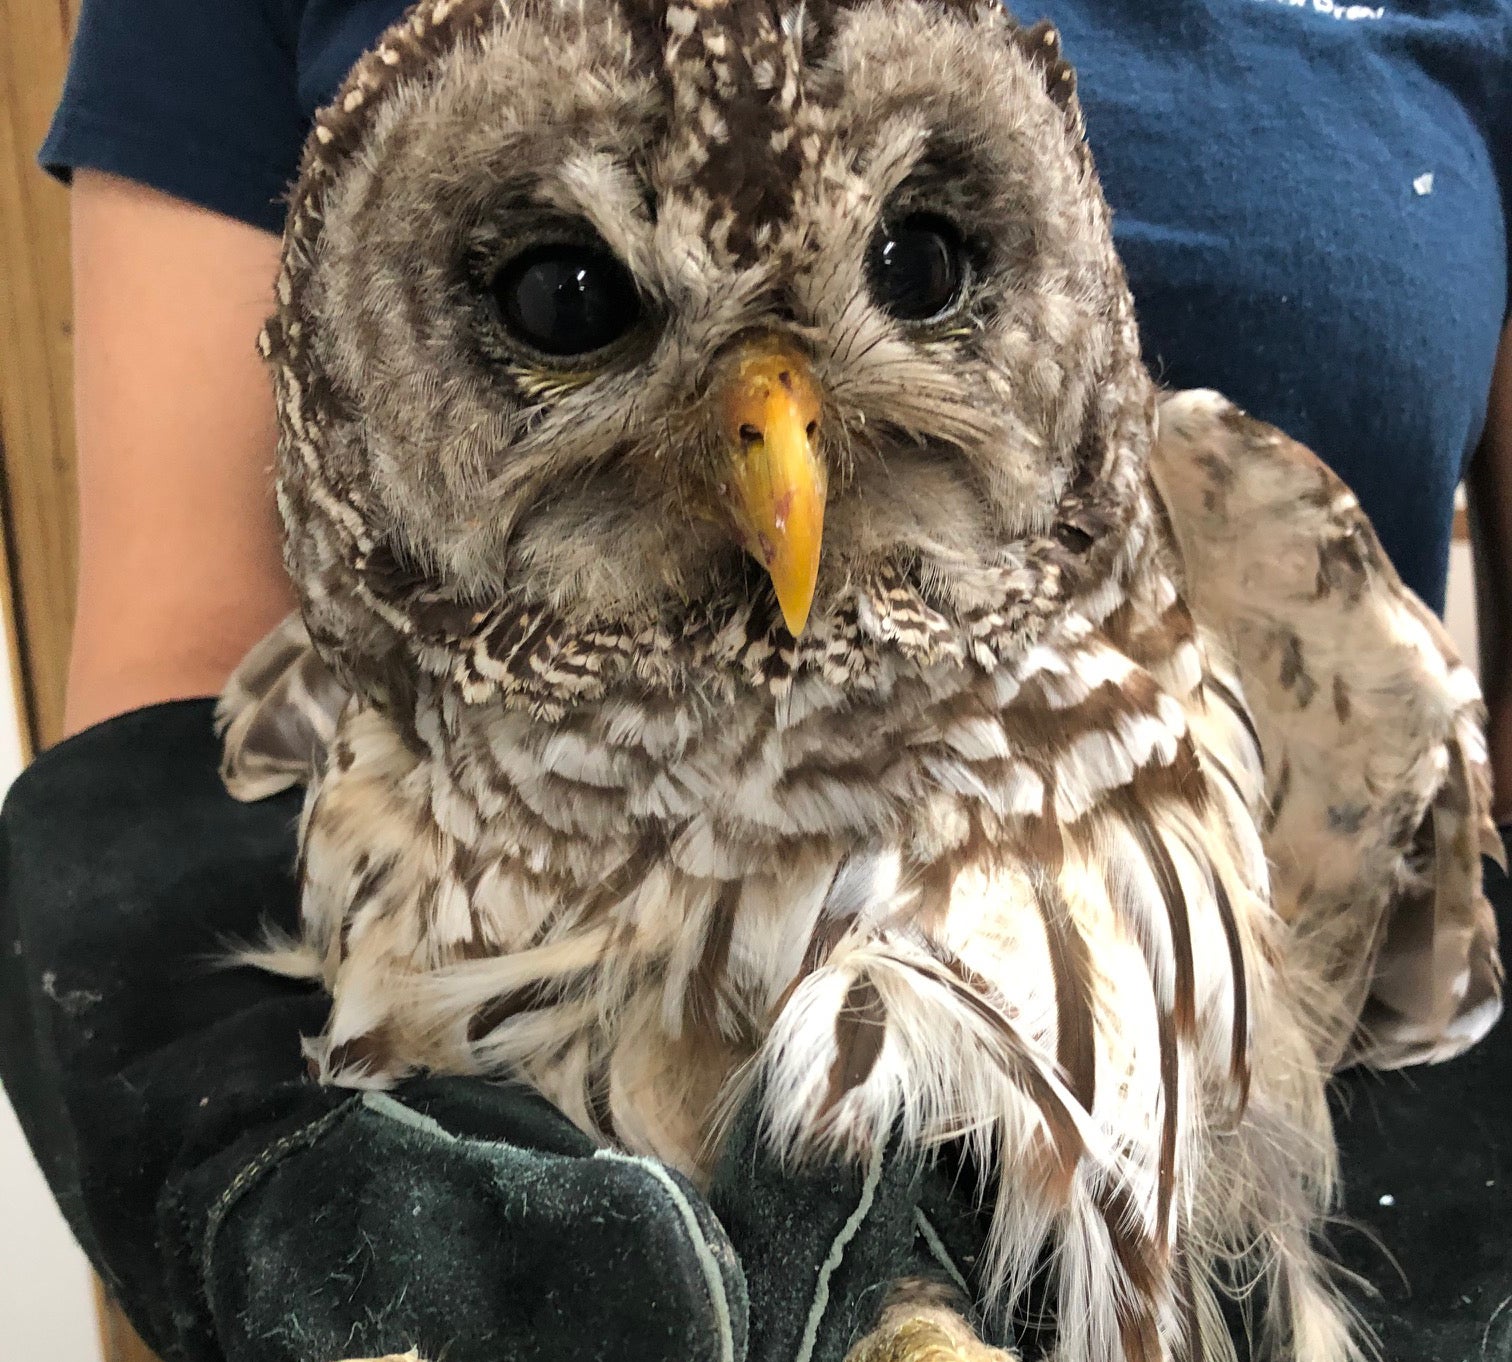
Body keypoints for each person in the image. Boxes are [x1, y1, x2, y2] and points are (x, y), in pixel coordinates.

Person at [2, 0, 1509, 1358]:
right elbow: (179, 678)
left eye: (916, 274)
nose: (779, 441)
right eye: (570, 301)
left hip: (1028, 701)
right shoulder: (408, 688)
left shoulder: (1213, 557)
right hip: (512, 734)